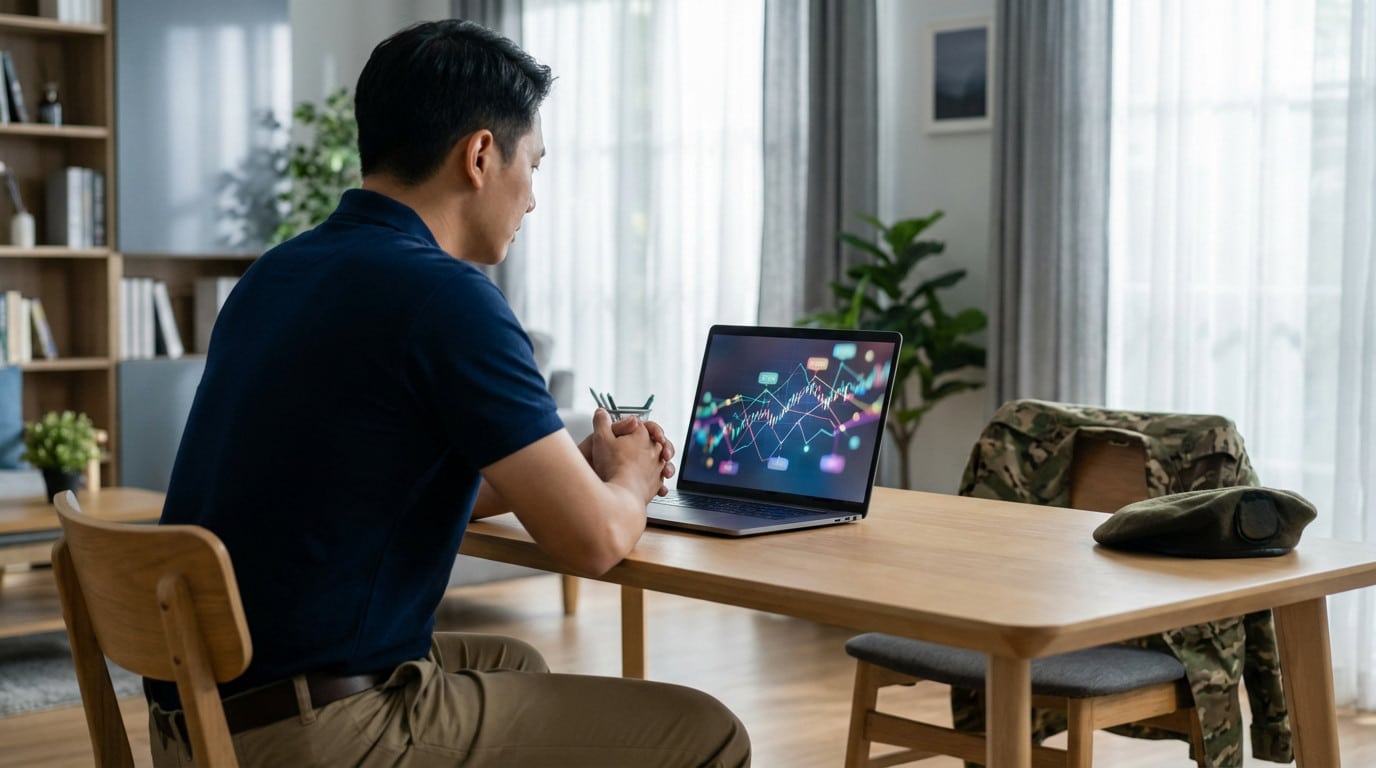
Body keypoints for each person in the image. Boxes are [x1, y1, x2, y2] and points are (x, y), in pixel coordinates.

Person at [145, 19, 751, 768]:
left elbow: (364, 495)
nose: (531, 198)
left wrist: (574, 477)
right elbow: (592, 543)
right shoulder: (447, 298)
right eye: (534, 163)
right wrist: (629, 480)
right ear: (481, 155)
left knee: (514, 665)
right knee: (711, 733)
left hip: (202, 711)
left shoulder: (279, 272)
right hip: (310, 735)